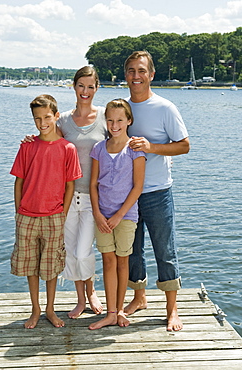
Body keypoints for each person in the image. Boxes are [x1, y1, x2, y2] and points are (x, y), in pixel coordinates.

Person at [22, 66, 107, 319]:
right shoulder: (63, 120)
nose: (85, 91)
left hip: (94, 197)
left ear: (97, 88)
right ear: (74, 86)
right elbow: (46, 137)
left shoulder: (105, 116)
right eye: (81, 85)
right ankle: (80, 299)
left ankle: (91, 290)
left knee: (84, 251)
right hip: (67, 198)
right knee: (70, 251)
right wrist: (29, 139)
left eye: (90, 86)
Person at [124, 51, 190, 331]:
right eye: (130, 70)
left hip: (158, 192)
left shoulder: (165, 108)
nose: (135, 76)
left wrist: (151, 147)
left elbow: (184, 145)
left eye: (141, 71)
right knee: (132, 251)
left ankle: (172, 309)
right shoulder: (120, 108)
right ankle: (139, 298)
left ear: (151, 75)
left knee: (165, 251)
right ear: (125, 74)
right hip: (128, 194)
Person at [10, 94, 82, 329]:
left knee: (50, 268)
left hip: (54, 217)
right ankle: (36, 309)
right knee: (30, 267)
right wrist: (18, 212)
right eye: (37, 118)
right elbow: (19, 181)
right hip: (27, 216)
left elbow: (70, 184)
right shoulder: (28, 146)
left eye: (47, 117)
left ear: (56, 116)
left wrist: (63, 213)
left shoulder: (67, 148)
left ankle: (50, 309)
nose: (42, 122)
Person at [88, 99, 146, 330]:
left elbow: (138, 187)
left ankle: (120, 310)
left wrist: (119, 216)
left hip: (126, 216)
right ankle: (110, 313)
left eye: (120, 120)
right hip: (102, 215)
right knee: (108, 261)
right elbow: (93, 185)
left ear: (128, 121)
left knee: (123, 263)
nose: (114, 124)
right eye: (110, 120)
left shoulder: (135, 149)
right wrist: (98, 214)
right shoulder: (98, 149)